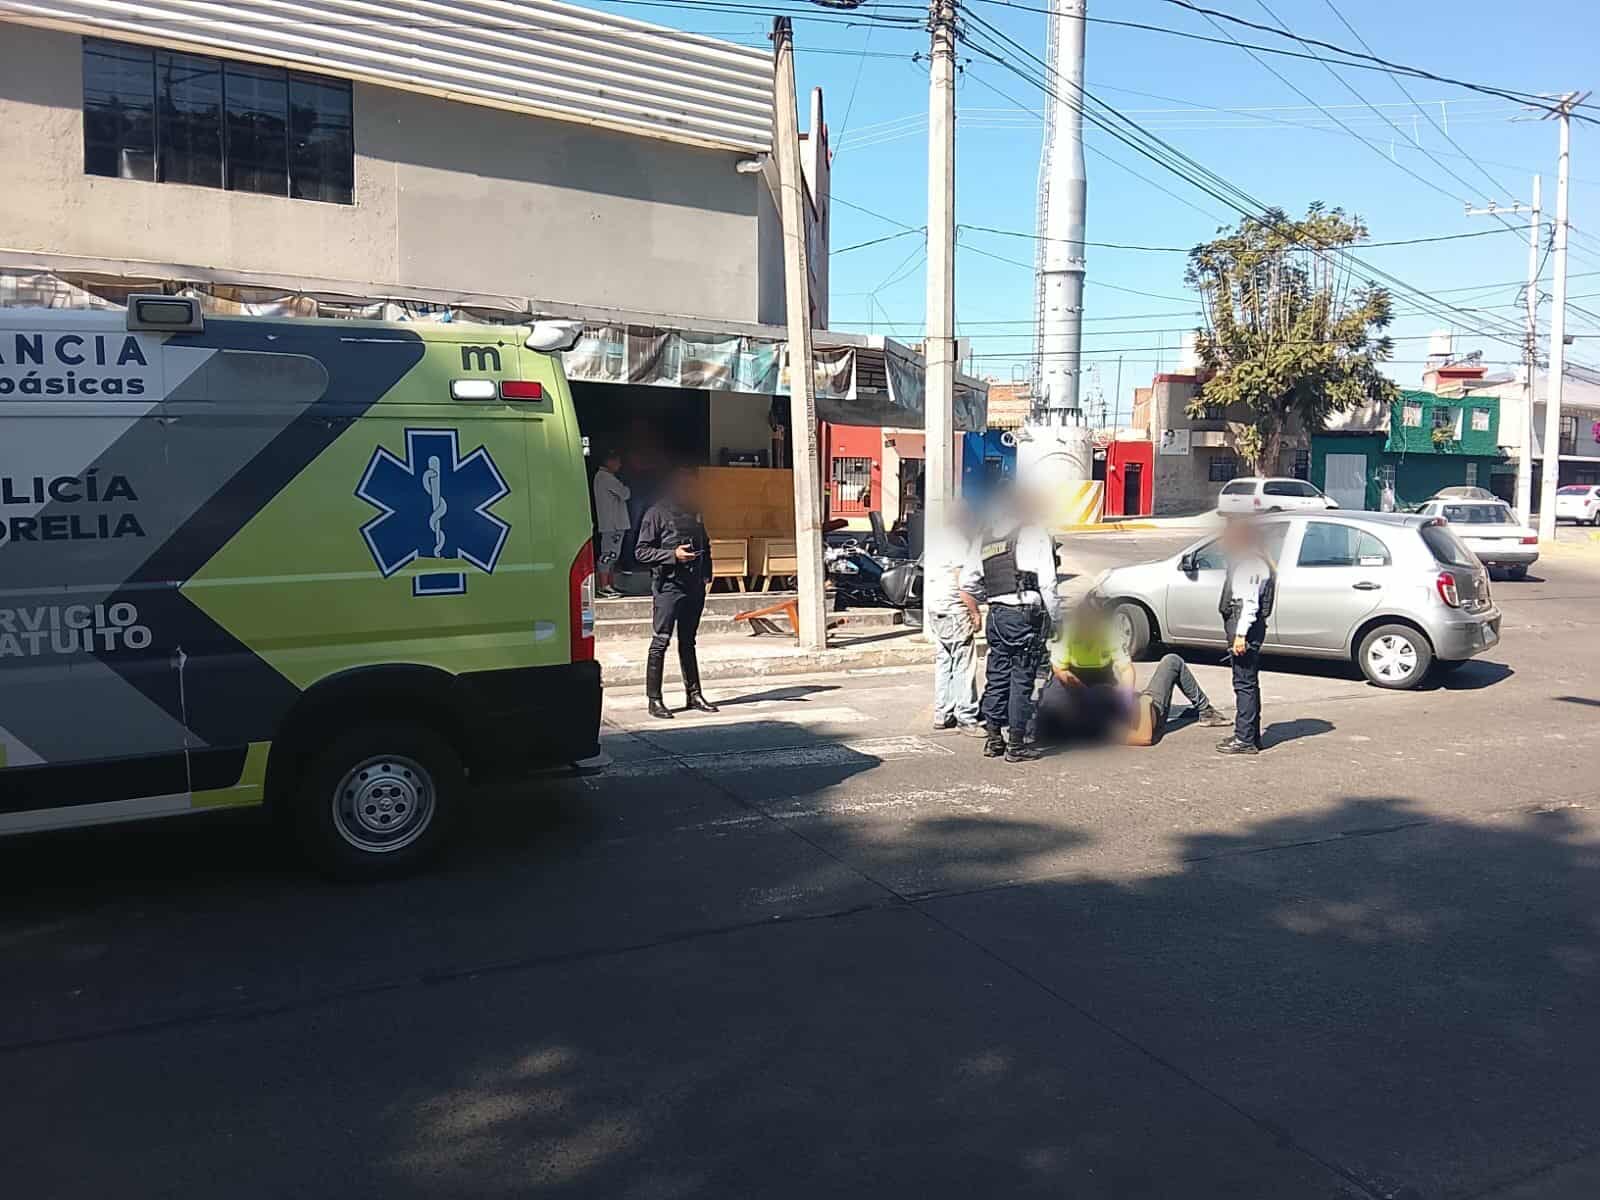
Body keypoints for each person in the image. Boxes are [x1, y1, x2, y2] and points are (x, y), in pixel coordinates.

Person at [1037, 593, 1230, 746]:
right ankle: (1206, 710)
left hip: (1105, 695)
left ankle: (1202, 711)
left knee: (1054, 704)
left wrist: (1126, 694)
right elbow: (1143, 738)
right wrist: (1137, 702)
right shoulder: (1106, 727)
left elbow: (1126, 669)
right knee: (1172, 660)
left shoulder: (1105, 633)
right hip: (1138, 708)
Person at [962, 492, 1061, 762]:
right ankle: (1016, 744)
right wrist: (1056, 618)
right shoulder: (1034, 532)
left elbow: (968, 582)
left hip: (996, 614)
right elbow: (1048, 584)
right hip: (1023, 614)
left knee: (997, 676)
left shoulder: (986, 537)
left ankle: (994, 739)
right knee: (1021, 678)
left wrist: (992, 597)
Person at [633, 466, 717, 720]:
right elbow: (641, 552)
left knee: (688, 642)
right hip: (668, 587)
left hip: (694, 586)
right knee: (660, 642)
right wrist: (672, 555)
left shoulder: (694, 513)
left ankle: (694, 694)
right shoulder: (656, 513)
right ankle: (654, 700)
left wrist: (707, 574)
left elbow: (706, 544)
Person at [1215, 518, 1276, 755]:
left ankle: (1245, 739)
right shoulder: (1255, 560)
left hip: (1245, 626)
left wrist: (1240, 635)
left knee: (1244, 683)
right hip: (1245, 624)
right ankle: (1249, 734)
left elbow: (1249, 603)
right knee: (1247, 682)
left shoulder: (1250, 564)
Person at [925, 510, 984, 736]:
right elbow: (964, 584)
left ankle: (942, 713)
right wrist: (975, 612)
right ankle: (966, 716)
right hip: (954, 611)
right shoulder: (959, 543)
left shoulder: (937, 540)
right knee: (963, 664)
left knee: (944, 661)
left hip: (936, 609)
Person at [591, 450, 631, 599]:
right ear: (609, 461)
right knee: (608, 555)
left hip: (613, 523)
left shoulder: (603, 477)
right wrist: (626, 487)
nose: (619, 465)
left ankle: (610, 584)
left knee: (613, 555)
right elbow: (625, 493)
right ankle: (604, 586)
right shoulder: (606, 477)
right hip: (613, 524)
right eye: (617, 461)